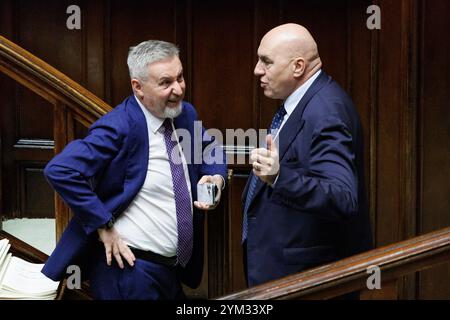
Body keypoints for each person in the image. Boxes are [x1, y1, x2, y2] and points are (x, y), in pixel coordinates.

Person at [42, 40, 227, 299]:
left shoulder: (185, 115)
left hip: (171, 271)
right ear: (138, 87)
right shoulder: (119, 126)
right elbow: (60, 170)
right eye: (166, 82)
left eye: (180, 77)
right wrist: (102, 223)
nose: (178, 89)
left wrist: (216, 177)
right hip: (129, 272)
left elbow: (210, 149)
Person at [242, 23, 373, 288]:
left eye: (266, 62)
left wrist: (279, 177)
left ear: (298, 67)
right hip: (286, 271)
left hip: (308, 279)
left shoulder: (326, 111)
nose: (257, 70)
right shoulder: (303, 100)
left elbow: (342, 197)